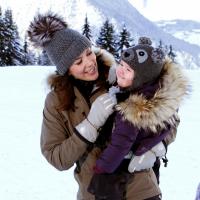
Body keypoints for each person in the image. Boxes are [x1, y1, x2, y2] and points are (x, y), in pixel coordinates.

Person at [27, 13, 177, 200]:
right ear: (65, 69)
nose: (89, 63)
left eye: (88, 52)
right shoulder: (56, 102)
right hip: (94, 193)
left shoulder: (119, 76)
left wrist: (157, 144)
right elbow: (57, 158)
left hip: (141, 190)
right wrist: (89, 126)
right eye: (78, 62)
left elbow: (169, 109)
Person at [88, 37, 189, 200]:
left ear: (140, 79)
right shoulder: (160, 94)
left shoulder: (132, 110)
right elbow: (168, 125)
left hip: (122, 172)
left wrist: (101, 168)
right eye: (121, 64)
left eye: (127, 70)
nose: (120, 70)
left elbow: (120, 144)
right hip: (148, 172)